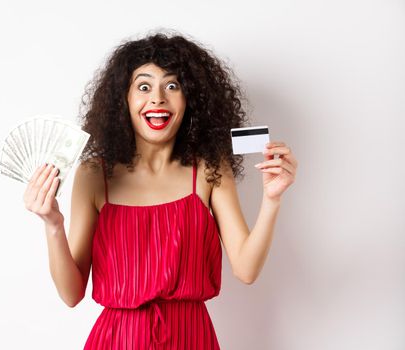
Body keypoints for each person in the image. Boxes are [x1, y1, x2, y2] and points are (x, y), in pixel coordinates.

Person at [23, 30, 298, 349]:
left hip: (190, 339)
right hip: (118, 340)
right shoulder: (94, 174)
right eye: (143, 86)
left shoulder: (209, 168)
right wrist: (53, 225)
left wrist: (272, 199)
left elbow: (246, 269)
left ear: (190, 99)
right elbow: (71, 295)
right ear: (123, 100)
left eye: (172, 85)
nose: (157, 98)